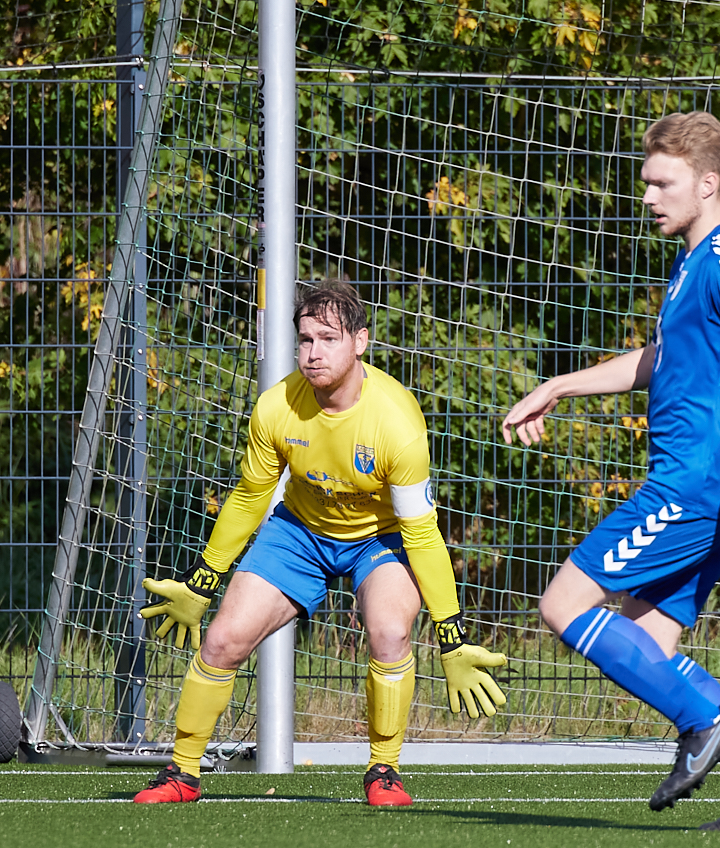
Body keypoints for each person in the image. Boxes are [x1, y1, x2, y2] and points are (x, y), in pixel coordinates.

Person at [502, 111, 720, 832]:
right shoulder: (692, 262)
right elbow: (660, 361)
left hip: (691, 485)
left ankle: (706, 721)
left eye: (662, 183)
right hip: (699, 485)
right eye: (646, 182)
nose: (647, 197)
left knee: (563, 605)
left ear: (707, 184)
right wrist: (559, 386)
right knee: (649, 642)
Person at [134, 280, 507, 806]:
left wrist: (451, 635)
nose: (313, 353)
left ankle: (384, 771)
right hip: (299, 532)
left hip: (380, 539)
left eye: (328, 339)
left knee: (390, 633)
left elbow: (422, 533)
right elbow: (250, 498)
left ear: (360, 341)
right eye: (306, 339)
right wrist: (203, 582)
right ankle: (182, 773)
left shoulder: (397, 422)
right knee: (220, 641)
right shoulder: (275, 407)